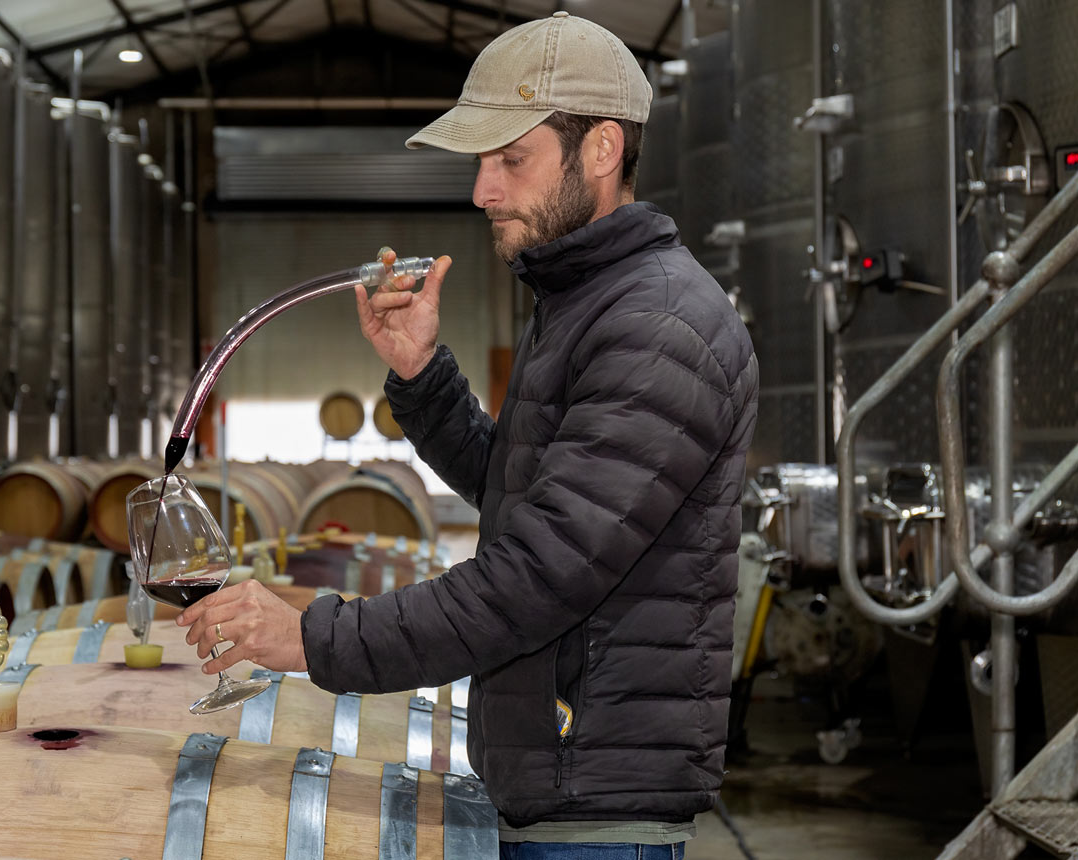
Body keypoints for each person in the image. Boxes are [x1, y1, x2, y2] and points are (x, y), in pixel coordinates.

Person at [176, 11, 758, 858]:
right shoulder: (584, 305)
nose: (483, 190)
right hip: (553, 785)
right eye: (483, 163)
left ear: (600, 150)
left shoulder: (658, 325)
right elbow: (521, 495)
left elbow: (538, 575)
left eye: (510, 160)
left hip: (596, 810)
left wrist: (310, 637)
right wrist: (422, 376)